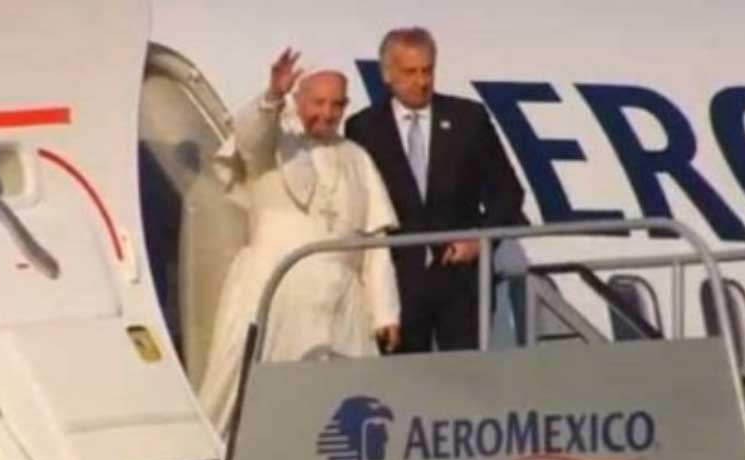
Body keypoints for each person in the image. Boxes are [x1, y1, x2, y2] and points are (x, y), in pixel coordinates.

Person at [198, 48, 401, 436]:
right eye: (317, 102)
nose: (326, 113)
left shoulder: (356, 157)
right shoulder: (275, 146)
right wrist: (272, 96)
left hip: (341, 300)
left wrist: (385, 312)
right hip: (274, 290)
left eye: (336, 104)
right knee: (240, 388)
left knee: (344, 402)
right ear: (298, 100)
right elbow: (251, 135)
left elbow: (375, 245)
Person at [345, 28, 527, 353]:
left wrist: (480, 239)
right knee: (401, 386)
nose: (421, 81)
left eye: (427, 70)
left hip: (460, 280)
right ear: (387, 74)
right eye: (410, 72)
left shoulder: (468, 119)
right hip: (399, 281)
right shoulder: (364, 128)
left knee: (468, 384)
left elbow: (508, 193)